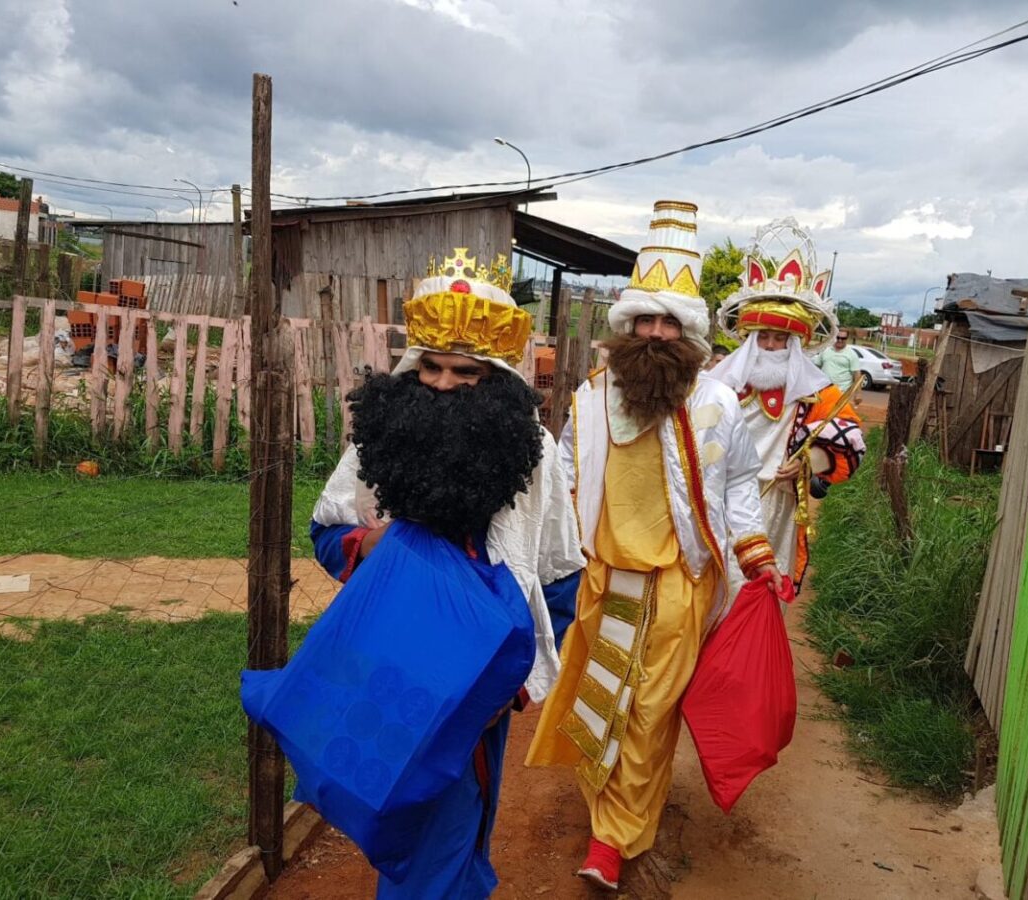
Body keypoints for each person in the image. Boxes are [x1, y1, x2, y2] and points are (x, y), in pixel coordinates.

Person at [307, 248, 586, 899]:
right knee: (405, 820)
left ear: (492, 376)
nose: (440, 383)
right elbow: (326, 532)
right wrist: (366, 545)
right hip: (392, 671)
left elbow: (557, 569)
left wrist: (517, 676)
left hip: (480, 685)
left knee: (457, 825)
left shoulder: (534, 451)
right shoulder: (381, 438)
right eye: (429, 365)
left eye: (464, 371)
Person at [526, 201, 782, 891]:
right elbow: (569, 482)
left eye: (672, 322)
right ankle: (604, 813)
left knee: (647, 712)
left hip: (679, 584)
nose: (658, 332)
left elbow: (736, 493)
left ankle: (613, 841)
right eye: (648, 319)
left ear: (690, 332)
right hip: (606, 579)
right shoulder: (592, 398)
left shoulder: (716, 405)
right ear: (627, 324)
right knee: (597, 707)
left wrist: (755, 551)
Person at [710, 219, 866, 595]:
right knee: (709, 591)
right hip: (717, 498)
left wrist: (809, 462)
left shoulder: (817, 391)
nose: (770, 345)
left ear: (794, 343)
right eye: (762, 336)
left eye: (780, 338)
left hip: (775, 504)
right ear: (749, 339)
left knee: (756, 591)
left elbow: (852, 441)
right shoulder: (718, 382)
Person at [814, 328, 860, 393]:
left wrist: (858, 394)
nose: (840, 340)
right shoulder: (825, 350)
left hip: (841, 393)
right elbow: (816, 368)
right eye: (837, 337)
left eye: (843, 338)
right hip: (823, 390)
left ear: (847, 339)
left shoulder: (852, 354)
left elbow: (856, 375)